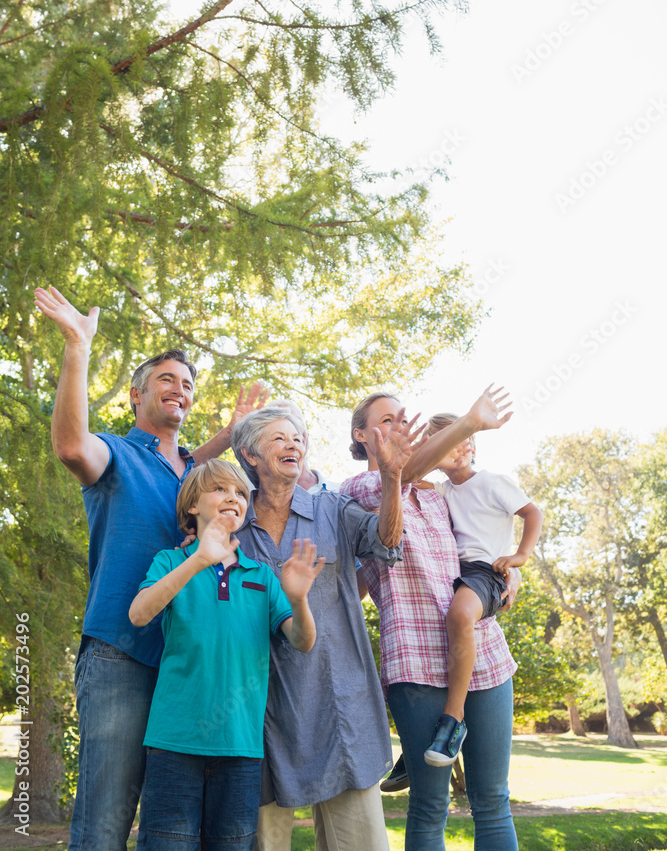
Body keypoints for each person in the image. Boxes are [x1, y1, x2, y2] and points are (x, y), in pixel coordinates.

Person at [33, 284, 268, 851]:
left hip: (182, 666)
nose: (179, 390)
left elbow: (196, 467)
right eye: (166, 379)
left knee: (168, 830)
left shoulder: (191, 473)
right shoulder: (116, 454)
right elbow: (70, 446)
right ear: (138, 394)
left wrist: (237, 429)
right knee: (106, 821)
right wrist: (77, 348)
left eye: (188, 385)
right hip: (121, 652)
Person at [230, 404, 421, 851]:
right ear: (250, 455)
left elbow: (386, 541)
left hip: (341, 709)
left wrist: (392, 477)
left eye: (297, 438)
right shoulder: (232, 521)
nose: (293, 444)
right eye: (278, 438)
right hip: (257, 711)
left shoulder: (334, 508)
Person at [341, 386, 521, 851]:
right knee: (429, 804)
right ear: (361, 436)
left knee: (492, 798)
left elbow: (477, 553)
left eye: (403, 418)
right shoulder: (356, 491)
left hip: (482, 651)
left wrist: (506, 576)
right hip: (416, 661)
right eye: (385, 420)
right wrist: (468, 422)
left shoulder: (440, 498)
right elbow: (397, 478)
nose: (398, 426)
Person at [128, 458, 323, 850]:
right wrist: (201, 558)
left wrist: (299, 600)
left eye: (239, 492)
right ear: (192, 507)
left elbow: (303, 641)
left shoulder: (263, 576)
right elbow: (139, 614)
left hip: (240, 748)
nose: (233, 497)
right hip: (173, 743)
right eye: (220, 489)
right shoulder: (171, 562)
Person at [422, 412, 543, 768]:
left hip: (488, 573)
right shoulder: (442, 491)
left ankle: (453, 719)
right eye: (445, 443)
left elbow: (532, 513)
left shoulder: (492, 482)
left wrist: (521, 555)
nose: (457, 448)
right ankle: (417, 742)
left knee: (459, 615)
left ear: (473, 444)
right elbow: (409, 475)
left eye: (462, 438)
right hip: (455, 574)